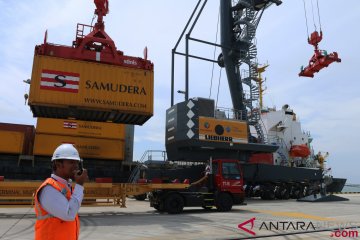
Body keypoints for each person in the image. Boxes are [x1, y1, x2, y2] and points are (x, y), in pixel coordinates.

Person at [34, 144, 88, 240]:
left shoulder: (66, 187)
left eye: (77, 163)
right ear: (58, 164)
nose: (76, 166)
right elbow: (69, 214)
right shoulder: (48, 189)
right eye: (71, 162)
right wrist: (79, 185)